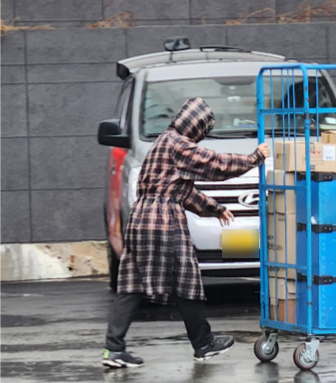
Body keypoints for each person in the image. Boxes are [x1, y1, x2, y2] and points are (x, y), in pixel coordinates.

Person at [102, 97, 270, 368]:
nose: (202, 135)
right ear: (195, 125)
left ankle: (114, 349)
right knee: (185, 279)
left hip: (141, 217)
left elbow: (182, 190)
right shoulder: (178, 144)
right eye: (203, 128)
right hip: (162, 220)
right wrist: (254, 158)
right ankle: (203, 344)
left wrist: (214, 208)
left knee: (132, 284)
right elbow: (214, 164)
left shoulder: (164, 141)